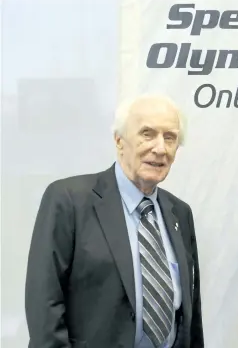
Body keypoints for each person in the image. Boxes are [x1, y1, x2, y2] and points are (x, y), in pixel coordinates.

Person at [25, 94, 204, 348]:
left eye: (170, 137)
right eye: (147, 134)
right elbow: (44, 305)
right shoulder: (69, 200)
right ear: (119, 141)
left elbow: (189, 316)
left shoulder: (180, 213)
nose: (160, 148)